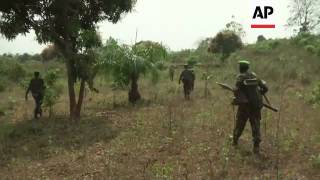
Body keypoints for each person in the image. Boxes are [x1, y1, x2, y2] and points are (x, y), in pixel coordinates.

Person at [232, 60, 268, 154]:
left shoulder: (240, 77)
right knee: (256, 125)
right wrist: (259, 94)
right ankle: (256, 147)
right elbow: (265, 88)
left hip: (245, 106)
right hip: (256, 106)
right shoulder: (255, 76)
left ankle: (235, 141)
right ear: (248, 68)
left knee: (240, 124)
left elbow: (236, 90)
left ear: (240, 68)